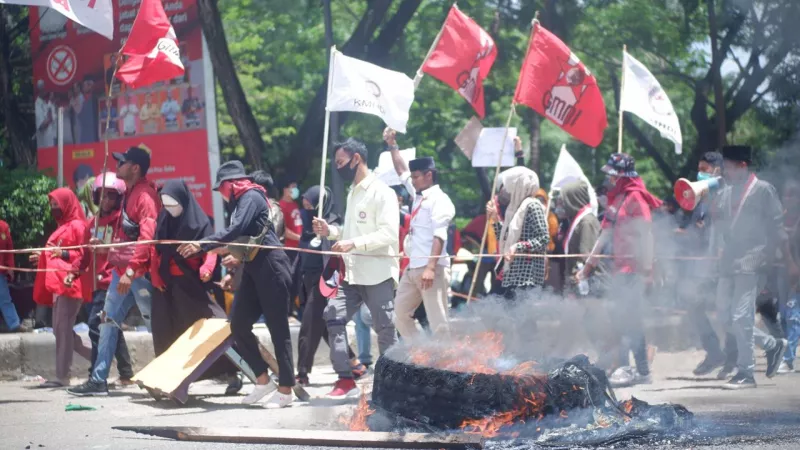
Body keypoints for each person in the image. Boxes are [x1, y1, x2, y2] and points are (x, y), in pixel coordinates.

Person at [177, 161, 295, 408]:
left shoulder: (250, 196)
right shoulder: (240, 202)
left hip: (272, 268)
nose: (220, 194)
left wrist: (202, 244)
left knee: (278, 330)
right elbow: (241, 240)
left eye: (220, 188)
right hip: (253, 269)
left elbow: (236, 230)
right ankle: (263, 380)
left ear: (230, 184)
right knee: (238, 325)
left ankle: (286, 389)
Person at [68, 147, 159, 396]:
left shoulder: (145, 197)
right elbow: (125, 239)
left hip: (138, 275)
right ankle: (99, 380)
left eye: (122, 162)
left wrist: (130, 273)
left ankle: (171, 378)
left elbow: (146, 239)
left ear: (135, 168)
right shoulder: (129, 194)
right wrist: (106, 247)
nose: (116, 166)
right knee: (106, 322)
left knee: (157, 327)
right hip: (122, 273)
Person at [313, 137, 399, 399]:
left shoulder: (382, 192)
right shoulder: (353, 192)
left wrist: (353, 242)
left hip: (377, 274)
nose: (338, 167)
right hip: (350, 274)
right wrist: (332, 231)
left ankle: (393, 384)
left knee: (385, 329)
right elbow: (348, 233)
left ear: (356, 159)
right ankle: (344, 378)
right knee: (332, 316)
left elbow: (389, 234)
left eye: (340, 162)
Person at [711, 145, 792, 388]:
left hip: (753, 260)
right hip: (730, 262)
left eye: (728, 166)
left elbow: (778, 229)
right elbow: (722, 226)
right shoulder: (725, 193)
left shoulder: (764, 190)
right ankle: (771, 345)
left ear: (743, 166)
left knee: (741, 316)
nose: (724, 170)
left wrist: (787, 262)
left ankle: (746, 373)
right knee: (725, 317)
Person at [578, 153, 661, 387]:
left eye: (612, 174)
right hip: (620, 270)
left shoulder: (635, 198)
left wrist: (647, 270)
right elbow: (604, 235)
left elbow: (647, 234)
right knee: (625, 319)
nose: (609, 179)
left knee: (626, 320)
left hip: (635, 270)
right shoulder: (617, 199)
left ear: (622, 175)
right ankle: (641, 371)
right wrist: (587, 267)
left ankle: (628, 369)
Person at [151, 180, 240, 393]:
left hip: (191, 285)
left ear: (183, 201)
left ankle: (232, 370)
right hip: (166, 288)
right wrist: (155, 276)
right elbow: (155, 251)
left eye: (173, 204)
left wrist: (207, 269)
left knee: (216, 326)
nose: (169, 209)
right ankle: (166, 379)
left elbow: (209, 249)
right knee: (168, 333)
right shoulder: (163, 219)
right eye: (166, 204)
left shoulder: (200, 223)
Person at [386, 130, 455, 338]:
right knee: (399, 313)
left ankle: (446, 365)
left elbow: (440, 236)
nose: (412, 181)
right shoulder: (418, 194)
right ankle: (421, 352)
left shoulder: (439, 200)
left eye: (416, 177)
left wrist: (431, 268)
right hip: (413, 267)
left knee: (438, 321)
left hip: (431, 268)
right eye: (413, 177)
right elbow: (401, 171)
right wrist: (392, 144)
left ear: (429, 175)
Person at [677, 152, 737, 377]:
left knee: (726, 312)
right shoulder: (701, 197)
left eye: (704, 168)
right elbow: (697, 229)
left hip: (722, 264)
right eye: (699, 168)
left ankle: (733, 358)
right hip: (702, 266)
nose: (699, 173)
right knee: (694, 306)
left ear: (717, 170)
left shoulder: (727, 195)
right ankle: (714, 352)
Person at [295, 186, 362, 386]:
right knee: (324, 326)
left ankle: (302, 373)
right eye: (304, 206)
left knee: (308, 326)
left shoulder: (332, 227)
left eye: (310, 206)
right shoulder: (307, 230)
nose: (306, 210)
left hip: (325, 282)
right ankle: (355, 363)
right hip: (306, 282)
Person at [31, 188, 91, 388]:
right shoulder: (63, 226)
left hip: (71, 284)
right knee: (60, 330)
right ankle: (99, 358)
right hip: (59, 285)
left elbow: (84, 257)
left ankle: (62, 375)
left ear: (67, 204)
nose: (54, 209)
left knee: (62, 330)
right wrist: (41, 257)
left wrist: (62, 254)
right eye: (52, 205)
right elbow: (55, 254)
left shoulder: (78, 226)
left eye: (57, 205)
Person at [78, 173, 134, 386]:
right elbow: (84, 254)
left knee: (96, 324)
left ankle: (95, 374)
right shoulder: (90, 223)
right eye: (102, 196)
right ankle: (126, 373)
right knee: (110, 324)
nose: (107, 200)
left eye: (111, 196)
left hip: (113, 279)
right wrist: (75, 270)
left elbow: (125, 248)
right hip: (94, 282)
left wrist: (105, 246)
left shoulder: (122, 221)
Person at [486, 167, 550, 299]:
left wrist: (518, 247)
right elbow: (506, 237)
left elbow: (544, 239)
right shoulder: (516, 207)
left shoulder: (533, 206)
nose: (506, 189)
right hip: (513, 272)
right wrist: (495, 218)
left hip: (527, 275)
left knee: (521, 316)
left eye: (509, 185)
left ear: (519, 185)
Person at [779, 179, 800, 374]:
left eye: (792, 195)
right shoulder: (780, 218)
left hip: (796, 274)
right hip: (781, 273)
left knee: (793, 317)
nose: (788, 199)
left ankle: (788, 359)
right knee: (784, 316)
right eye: (786, 194)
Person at [0, 219, 27, 333]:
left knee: (5, 298)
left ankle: (14, 324)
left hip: (0, 271)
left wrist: (10, 267)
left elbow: (9, 248)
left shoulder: (4, 227)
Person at [278, 176, 303, 249]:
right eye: (293, 187)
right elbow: (282, 229)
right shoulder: (281, 206)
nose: (296, 190)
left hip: (299, 246)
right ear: (285, 190)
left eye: (296, 187)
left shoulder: (295, 204)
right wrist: (299, 238)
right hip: (288, 247)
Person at [35, 81, 56, 148]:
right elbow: (42, 126)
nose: (46, 90)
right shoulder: (37, 105)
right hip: (44, 145)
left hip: (52, 141)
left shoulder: (45, 103)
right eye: (43, 88)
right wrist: (50, 102)